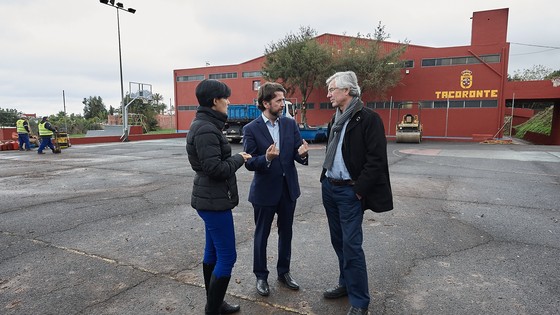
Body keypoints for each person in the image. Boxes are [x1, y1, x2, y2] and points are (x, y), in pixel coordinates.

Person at [320, 71, 393, 315]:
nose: (328, 94)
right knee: (338, 241)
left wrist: (359, 191)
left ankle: (360, 301)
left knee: (352, 246)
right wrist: (325, 180)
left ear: (347, 91)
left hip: (351, 192)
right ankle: (345, 283)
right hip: (330, 187)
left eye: (332, 89)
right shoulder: (336, 118)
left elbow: (376, 160)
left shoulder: (369, 119)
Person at [186, 79, 251, 315]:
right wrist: (239, 159)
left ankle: (216, 303)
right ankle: (212, 309)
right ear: (215, 101)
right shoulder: (205, 128)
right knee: (227, 256)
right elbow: (215, 169)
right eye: (226, 98)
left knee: (212, 252)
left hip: (211, 199)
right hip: (213, 202)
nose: (229, 101)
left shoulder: (206, 124)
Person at [243, 82, 309, 297]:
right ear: (265, 103)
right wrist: (267, 158)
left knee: (286, 232)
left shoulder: (290, 124)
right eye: (279, 101)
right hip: (264, 191)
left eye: (283, 100)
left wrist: (303, 153)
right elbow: (249, 162)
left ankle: (284, 272)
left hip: (288, 189)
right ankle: (261, 276)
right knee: (261, 235)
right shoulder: (251, 129)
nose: (283, 104)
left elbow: (297, 154)